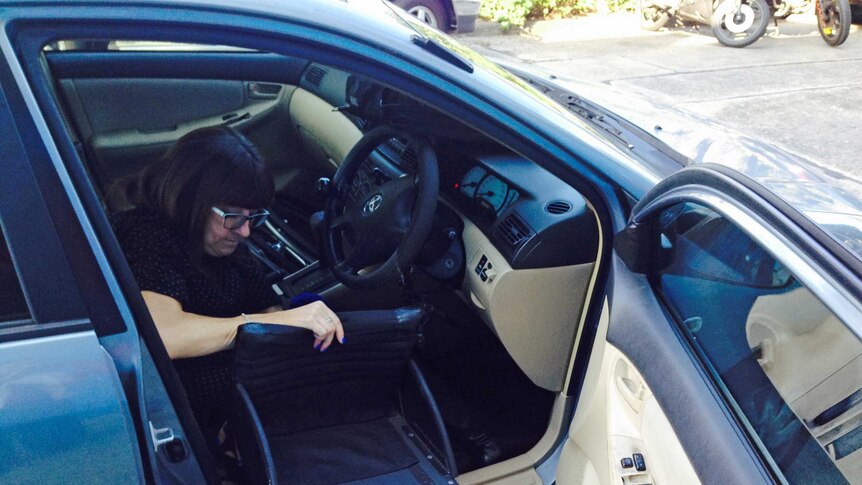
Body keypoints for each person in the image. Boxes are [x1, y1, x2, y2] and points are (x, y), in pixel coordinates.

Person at [110, 126, 344, 452]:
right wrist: (269, 324)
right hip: (183, 435)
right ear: (191, 197)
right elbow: (164, 335)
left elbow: (269, 310)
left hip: (237, 420)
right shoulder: (148, 234)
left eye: (254, 217)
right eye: (234, 217)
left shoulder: (225, 246)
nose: (246, 231)